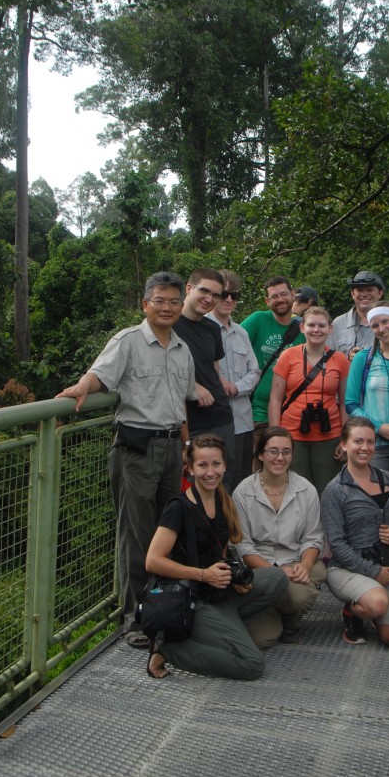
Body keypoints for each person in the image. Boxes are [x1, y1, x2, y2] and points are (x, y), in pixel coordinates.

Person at [55, 271, 196, 646]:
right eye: (159, 300)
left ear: (182, 306)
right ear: (145, 303)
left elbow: (180, 402)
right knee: (136, 534)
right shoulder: (128, 341)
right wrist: (82, 387)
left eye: (173, 301)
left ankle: (167, 606)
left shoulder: (182, 348)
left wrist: (186, 448)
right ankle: (136, 618)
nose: (166, 307)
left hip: (170, 448)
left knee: (168, 532)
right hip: (137, 448)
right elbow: (99, 375)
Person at [145, 434, 288, 679]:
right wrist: (203, 575)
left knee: (277, 578)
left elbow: (220, 553)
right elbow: (153, 561)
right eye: (202, 465)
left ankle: (219, 628)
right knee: (252, 664)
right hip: (190, 597)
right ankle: (169, 649)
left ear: (225, 465)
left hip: (218, 592)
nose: (210, 472)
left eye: (216, 464)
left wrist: (232, 577)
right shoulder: (178, 508)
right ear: (189, 468)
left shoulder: (223, 499)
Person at [320, 417, 389, 650]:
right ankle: (352, 612)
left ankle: (373, 608)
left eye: (370, 442)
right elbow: (337, 544)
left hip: (386, 568)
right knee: (378, 603)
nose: (365, 448)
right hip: (346, 569)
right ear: (343, 444)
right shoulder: (335, 490)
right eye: (358, 441)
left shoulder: (388, 478)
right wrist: (373, 571)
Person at [232, 426, 326, 645]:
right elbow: (242, 546)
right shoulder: (243, 492)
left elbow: (313, 537)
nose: (280, 457)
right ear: (261, 454)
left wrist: (305, 565)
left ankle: (289, 615)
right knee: (263, 639)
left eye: (286, 452)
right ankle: (275, 612)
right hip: (259, 566)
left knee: (299, 597)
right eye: (273, 451)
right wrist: (274, 573)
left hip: (294, 561)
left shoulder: (306, 489)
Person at [268, 306, 349, 495]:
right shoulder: (288, 356)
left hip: (329, 435)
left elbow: (345, 402)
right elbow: (275, 399)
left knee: (328, 490)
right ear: (302, 327)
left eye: (322, 325)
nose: (316, 330)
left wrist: (345, 439)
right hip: (293, 434)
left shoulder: (340, 360)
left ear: (330, 329)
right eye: (311, 325)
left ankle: (326, 525)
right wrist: (275, 436)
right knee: (295, 490)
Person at [173, 268, 237, 491]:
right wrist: (192, 386)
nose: (209, 299)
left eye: (216, 295)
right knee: (193, 488)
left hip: (221, 417)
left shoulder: (212, 328)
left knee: (223, 484)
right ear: (188, 288)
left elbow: (213, 369)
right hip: (190, 421)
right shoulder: (169, 324)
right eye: (204, 291)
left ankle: (221, 527)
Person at [206, 270, 261, 489]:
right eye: (224, 294)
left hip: (243, 421)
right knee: (217, 484)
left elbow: (254, 371)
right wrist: (220, 383)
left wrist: (236, 388)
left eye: (234, 295)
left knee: (241, 483)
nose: (229, 299)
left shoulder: (241, 333)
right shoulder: (202, 329)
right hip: (213, 423)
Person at [345, 305, 389, 484]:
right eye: (375, 325)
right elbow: (351, 403)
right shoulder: (363, 359)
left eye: (385, 321)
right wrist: (378, 427)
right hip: (376, 443)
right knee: (378, 495)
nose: (381, 328)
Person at [241, 276, 305, 447]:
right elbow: (230, 342)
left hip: (293, 415)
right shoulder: (258, 320)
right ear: (267, 301)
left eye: (284, 294)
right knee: (258, 468)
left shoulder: (304, 330)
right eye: (274, 297)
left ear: (293, 294)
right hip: (258, 414)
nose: (280, 300)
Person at [331, 271, 389, 361]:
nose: (364, 294)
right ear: (352, 294)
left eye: (370, 290)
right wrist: (347, 358)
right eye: (360, 290)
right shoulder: (338, 324)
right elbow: (327, 358)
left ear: (380, 293)